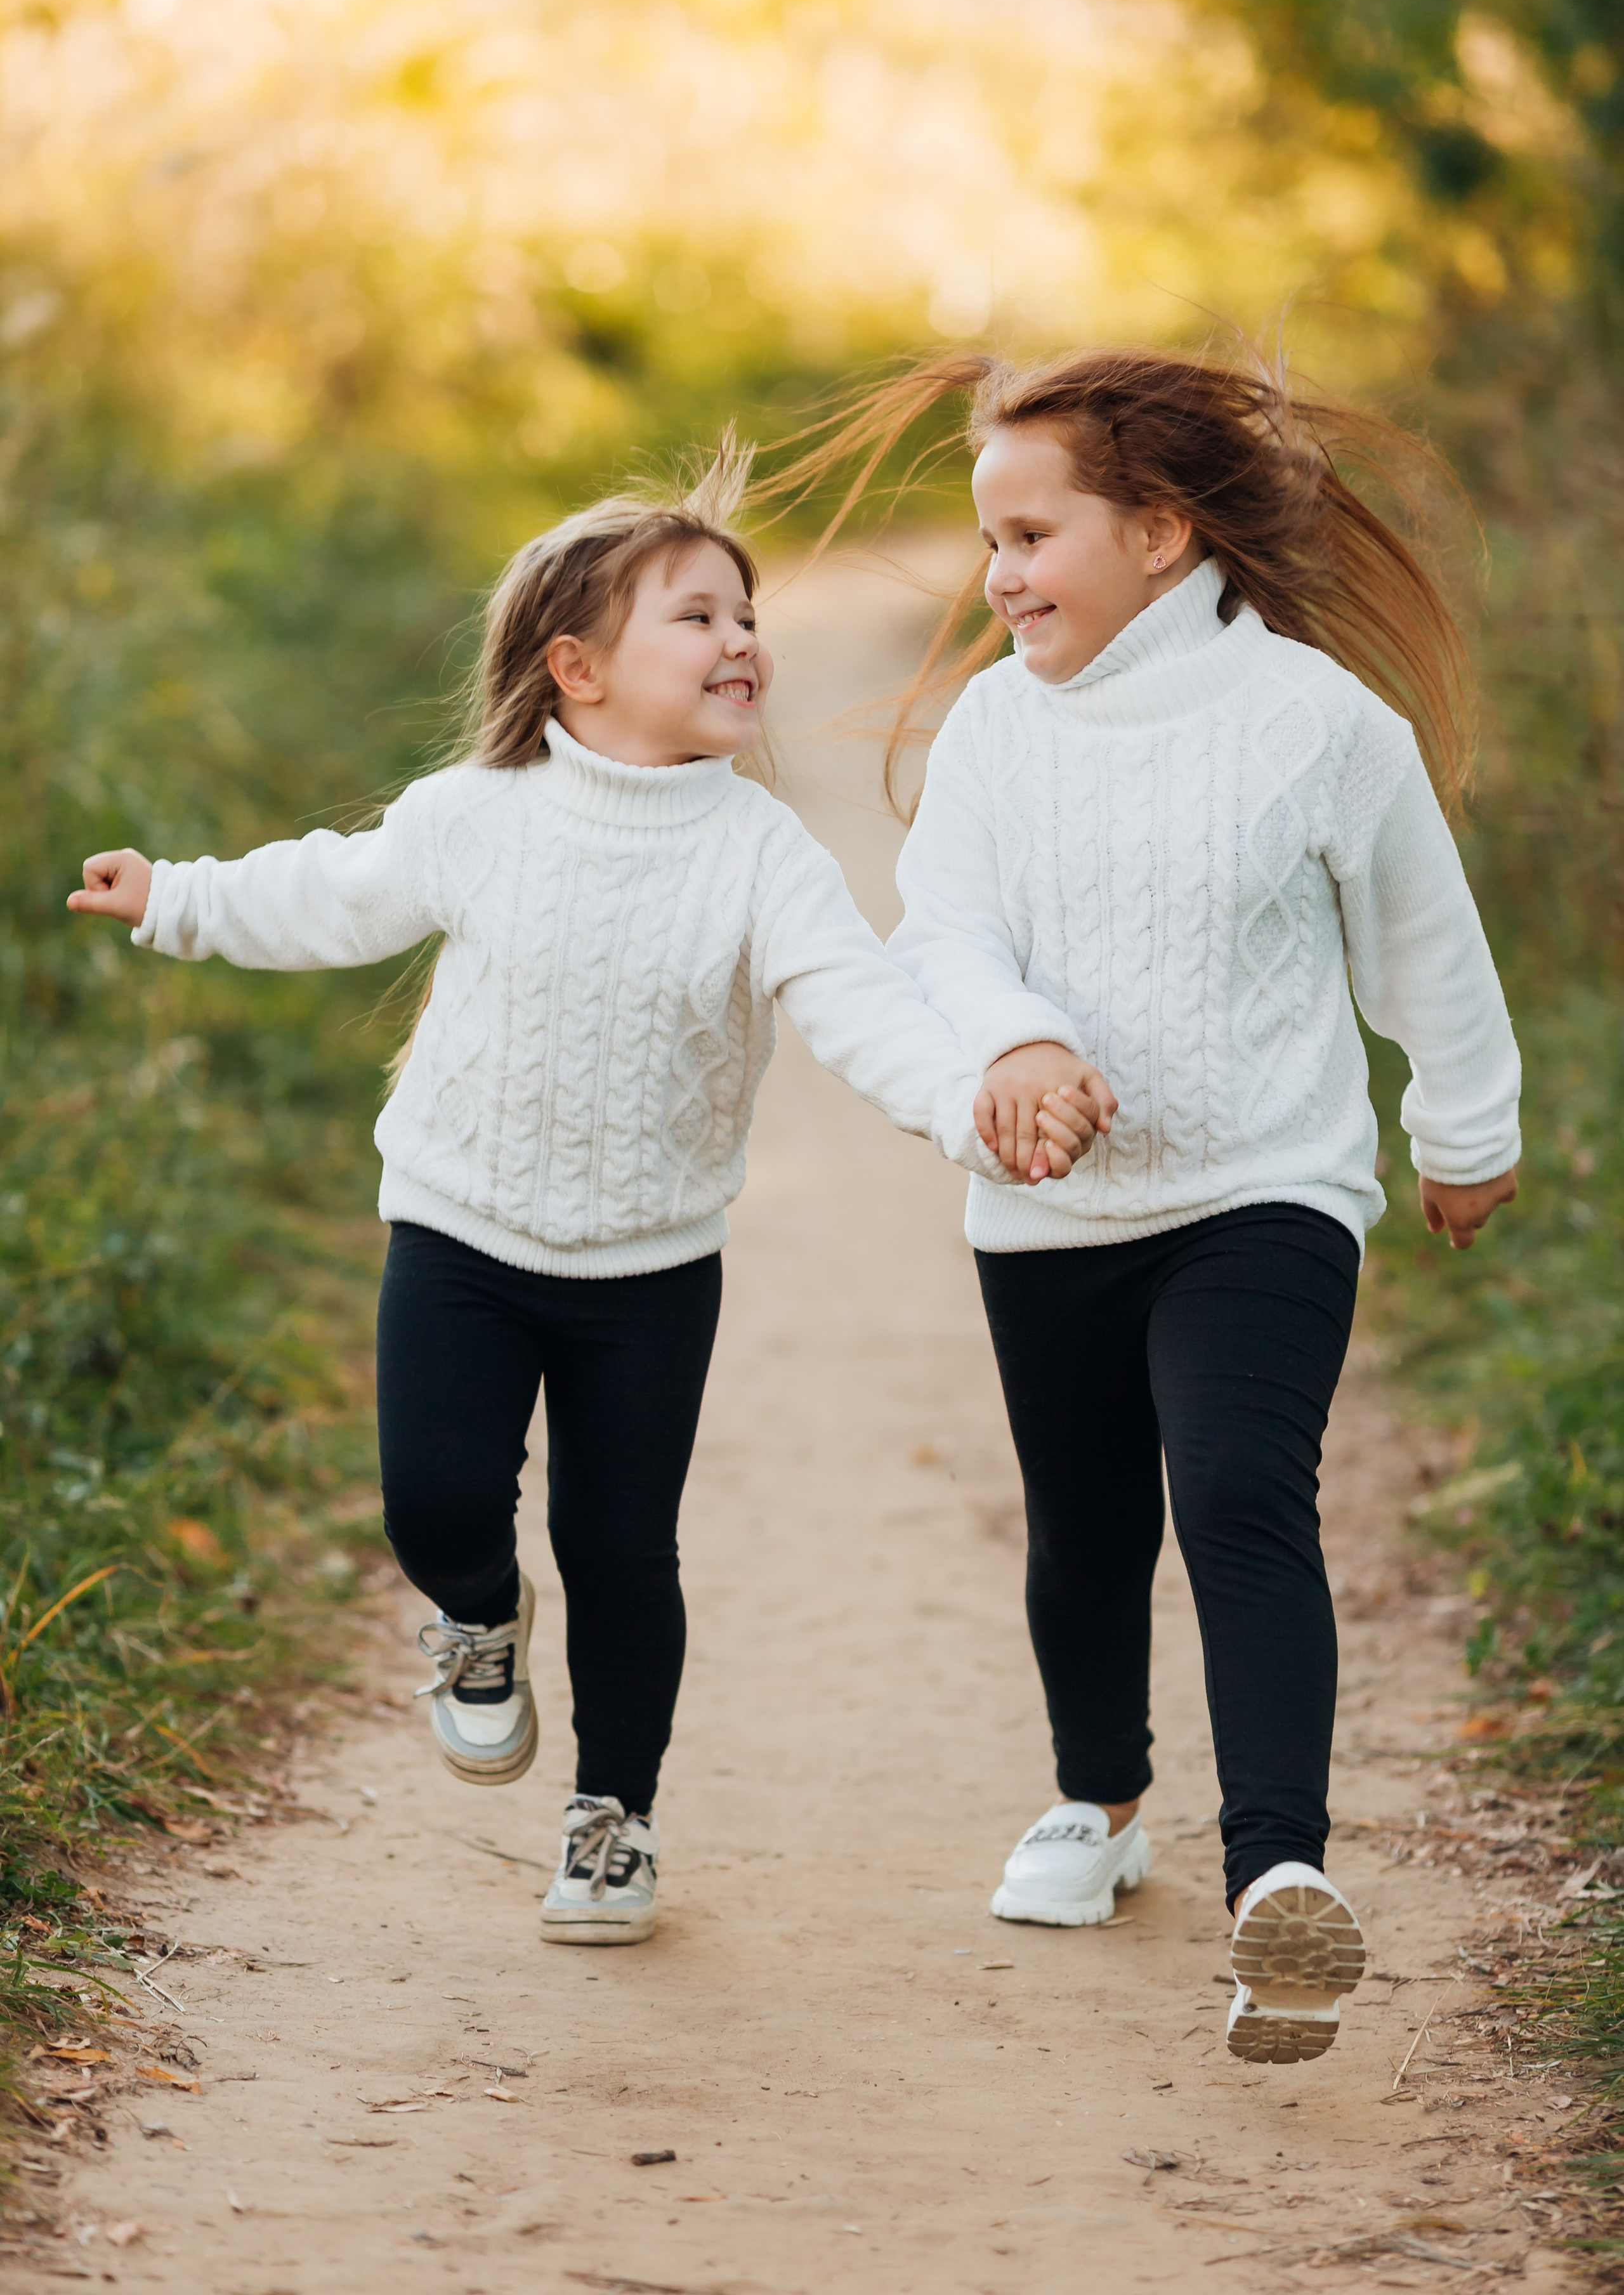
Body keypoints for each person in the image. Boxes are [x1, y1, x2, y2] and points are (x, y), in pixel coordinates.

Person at [67, 450, 1100, 1951]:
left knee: (622, 1551)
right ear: (577, 669)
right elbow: (334, 893)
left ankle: (614, 1817)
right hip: (460, 1233)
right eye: (695, 616)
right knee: (433, 1501)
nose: (740, 638)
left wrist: (970, 1107)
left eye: (745, 614)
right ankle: (476, 1615)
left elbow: (861, 1007)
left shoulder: (760, 853)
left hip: (649, 1265)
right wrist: (178, 898)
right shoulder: (479, 813)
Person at [797, 351, 1521, 2064]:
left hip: (1264, 1189)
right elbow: (949, 932)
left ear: (1162, 531)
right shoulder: (994, 730)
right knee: (1086, 1521)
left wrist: (1467, 1126)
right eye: (989, 544)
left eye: (1033, 535)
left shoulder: (1320, 726)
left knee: (1240, 1495)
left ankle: (1282, 1882)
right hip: (1050, 1210)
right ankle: (1099, 1804)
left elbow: (1425, 936)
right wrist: (1019, 1044)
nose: (1000, 576)